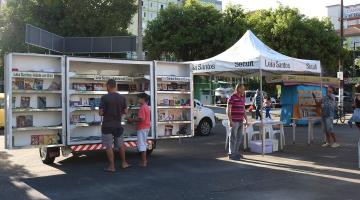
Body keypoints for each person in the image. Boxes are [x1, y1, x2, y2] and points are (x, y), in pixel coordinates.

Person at [99, 79, 131, 172]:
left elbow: (101, 113)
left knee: (109, 146)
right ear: (115, 86)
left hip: (107, 126)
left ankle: (112, 166)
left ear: (108, 86)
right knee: (121, 145)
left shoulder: (104, 98)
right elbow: (125, 111)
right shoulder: (122, 98)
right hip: (118, 125)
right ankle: (124, 163)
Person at [227, 84, 248, 160]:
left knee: (239, 138)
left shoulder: (243, 97)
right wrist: (230, 121)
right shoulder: (232, 97)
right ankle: (231, 154)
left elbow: (243, 109)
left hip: (240, 120)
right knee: (233, 137)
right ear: (238, 88)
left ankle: (235, 153)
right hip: (234, 121)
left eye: (244, 88)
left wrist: (246, 119)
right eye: (242, 88)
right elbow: (228, 110)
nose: (243, 90)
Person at [129, 93, 151, 167]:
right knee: (143, 143)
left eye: (138, 98)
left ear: (143, 99)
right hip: (146, 127)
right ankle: (144, 161)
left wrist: (131, 119)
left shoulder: (142, 107)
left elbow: (141, 119)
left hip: (142, 128)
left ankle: (144, 162)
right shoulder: (146, 106)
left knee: (142, 145)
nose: (137, 100)